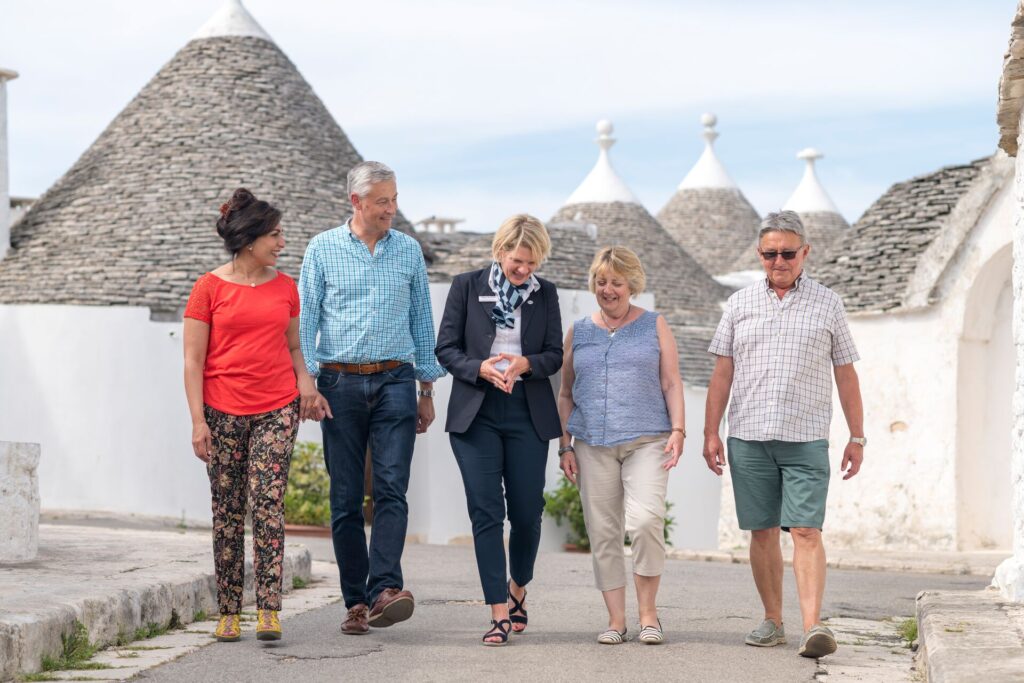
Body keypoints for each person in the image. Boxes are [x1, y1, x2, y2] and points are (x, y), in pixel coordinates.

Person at [702, 210, 864, 659]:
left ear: (805, 253)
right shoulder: (738, 305)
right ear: (760, 254)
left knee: (807, 530)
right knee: (762, 531)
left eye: (788, 253)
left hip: (806, 437)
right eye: (770, 253)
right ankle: (773, 621)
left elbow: (846, 375)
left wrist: (858, 436)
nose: (779, 261)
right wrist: (709, 432)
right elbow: (722, 373)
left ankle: (813, 626)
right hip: (748, 436)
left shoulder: (828, 303)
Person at [298, 161, 446, 636]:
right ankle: (355, 603)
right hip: (338, 385)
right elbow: (303, 324)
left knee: (390, 489)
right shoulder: (321, 249)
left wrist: (426, 388)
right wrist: (308, 383)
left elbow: (423, 322)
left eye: (394, 198)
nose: (391, 208)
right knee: (344, 499)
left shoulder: (408, 251)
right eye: (382, 200)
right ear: (356, 202)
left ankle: (384, 588)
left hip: (396, 382)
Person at [183, 188, 329, 643]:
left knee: (267, 503)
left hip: (276, 408)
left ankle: (268, 607)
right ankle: (229, 610)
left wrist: (306, 383)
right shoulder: (208, 287)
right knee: (227, 511)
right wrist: (197, 421)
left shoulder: (286, 287)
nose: (282, 243)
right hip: (221, 411)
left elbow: (292, 346)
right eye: (276, 235)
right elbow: (192, 361)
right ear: (250, 240)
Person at [435, 215, 563, 646]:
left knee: (527, 513)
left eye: (531, 262)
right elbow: (446, 349)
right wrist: (480, 368)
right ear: (500, 250)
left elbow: (554, 354)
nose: (523, 269)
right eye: (516, 260)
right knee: (486, 513)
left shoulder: (546, 295)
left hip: (528, 412)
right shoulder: (467, 286)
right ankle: (497, 613)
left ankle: (518, 588)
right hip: (477, 413)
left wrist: (527, 364)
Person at [557, 246, 686, 646]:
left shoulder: (654, 325)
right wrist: (564, 445)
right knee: (603, 532)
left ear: (632, 285)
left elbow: (671, 382)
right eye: (601, 281)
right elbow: (565, 393)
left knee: (646, 520)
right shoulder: (579, 330)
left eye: (616, 282)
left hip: (648, 439)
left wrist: (679, 430)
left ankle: (649, 615)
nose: (608, 289)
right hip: (592, 444)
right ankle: (616, 620)